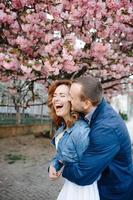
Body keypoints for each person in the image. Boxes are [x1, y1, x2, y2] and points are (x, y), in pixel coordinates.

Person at [61, 75, 133, 200]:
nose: (68, 99)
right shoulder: (92, 110)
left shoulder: (106, 129)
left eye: (71, 97)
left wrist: (63, 165)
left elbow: (82, 175)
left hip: (113, 192)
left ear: (87, 103)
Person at [48, 79, 100, 200]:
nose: (55, 99)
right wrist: (54, 165)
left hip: (83, 190)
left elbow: (90, 168)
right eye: (54, 95)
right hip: (70, 186)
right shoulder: (63, 127)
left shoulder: (81, 130)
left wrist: (65, 169)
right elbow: (62, 155)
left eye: (62, 95)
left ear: (72, 101)